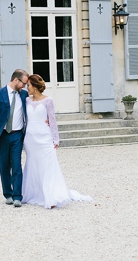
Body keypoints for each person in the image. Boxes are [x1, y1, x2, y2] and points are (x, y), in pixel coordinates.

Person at [21, 74, 91, 209]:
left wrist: (56, 138)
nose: (26, 87)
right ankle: (33, 193)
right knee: (33, 165)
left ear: (34, 87)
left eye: (28, 85)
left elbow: (52, 120)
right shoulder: (26, 100)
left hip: (44, 137)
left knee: (48, 165)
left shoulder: (48, 101)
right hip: (30, 138)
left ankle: (51, 196)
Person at [0, 69, 29, 207]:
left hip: (17, 135)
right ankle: (8, 194)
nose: (24, 86)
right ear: (16, 80)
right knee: (4, 166)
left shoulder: (24, 95)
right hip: (2, 136)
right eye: (24, 83)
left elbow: (34, 109)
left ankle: (17, 196)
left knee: (16, 166)